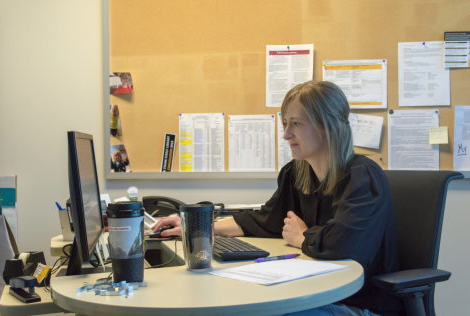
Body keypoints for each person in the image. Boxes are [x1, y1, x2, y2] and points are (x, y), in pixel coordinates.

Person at [153, 81, 405, 316]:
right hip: (312, 293)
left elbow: (345, 245)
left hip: (357, 304)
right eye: (285, 123)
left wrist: (302, 236)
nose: (286, 135)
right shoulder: (296, 173)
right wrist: (196, 228)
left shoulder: (362, 176)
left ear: (327, 126)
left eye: (296, 124)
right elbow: (265, 220)